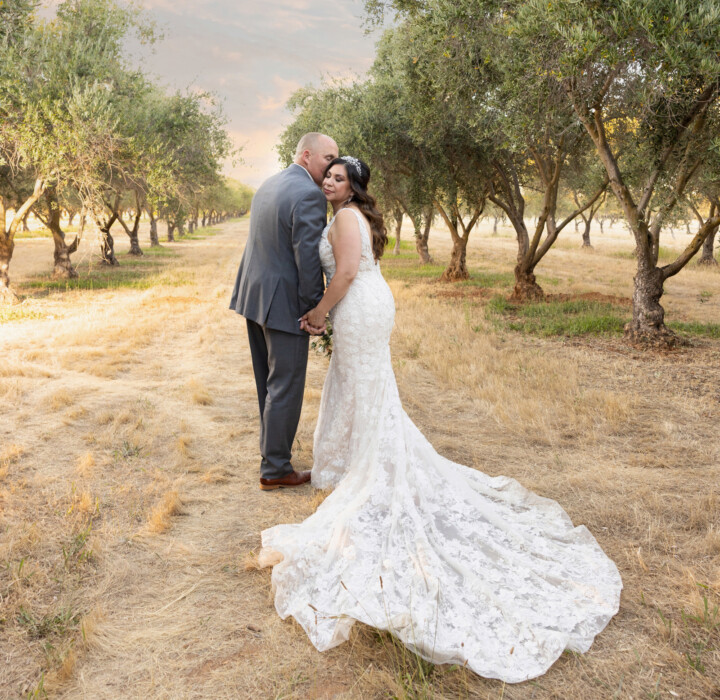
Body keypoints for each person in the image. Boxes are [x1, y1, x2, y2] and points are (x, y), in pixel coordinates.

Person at [259, 155, 623, 682]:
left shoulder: (342, 218)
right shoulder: (353, 217)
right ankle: (364, 462)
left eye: (338, 178)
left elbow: (342, 272)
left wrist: (317, 314)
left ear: (352, 187)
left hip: (358, 305)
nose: (329, 183)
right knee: (368, 392)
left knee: (366, 391)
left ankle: (371, 471)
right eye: (328, 176)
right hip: (367, 305)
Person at [230, 132, 338, 491]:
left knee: (269, 383)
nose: (333, 166)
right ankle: (275, 469)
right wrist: (314, 309)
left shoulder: (271, 183)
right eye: (328, 158)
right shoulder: (308, 194)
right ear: (307, 155)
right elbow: (307, 260)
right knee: (286, 386)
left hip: (254, 298)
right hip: (285, 306)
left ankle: (271, 457)